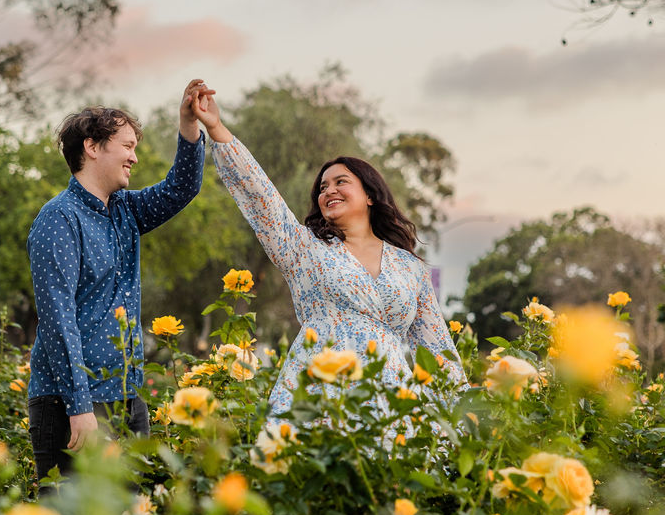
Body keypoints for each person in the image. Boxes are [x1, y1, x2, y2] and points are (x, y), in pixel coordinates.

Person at [191, 88, 465, 422]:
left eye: (340, 182)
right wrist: (218, 129)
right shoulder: (304, 248)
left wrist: (460, 419)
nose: (329, 191)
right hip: (317, 390)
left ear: (370, 196)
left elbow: (436, 350)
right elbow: (262, 198)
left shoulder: (410, 267)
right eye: (322, 188)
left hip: (390, 402)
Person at [26, 79, 211, 488]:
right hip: (70, 407)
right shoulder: (59, 219)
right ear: (92, 147)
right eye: (126, 146)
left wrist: (188, 124)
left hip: (126, 400)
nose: (134, 157)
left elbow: (182, 188)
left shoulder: (126, 210)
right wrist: (80, 408)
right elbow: (58, 320)